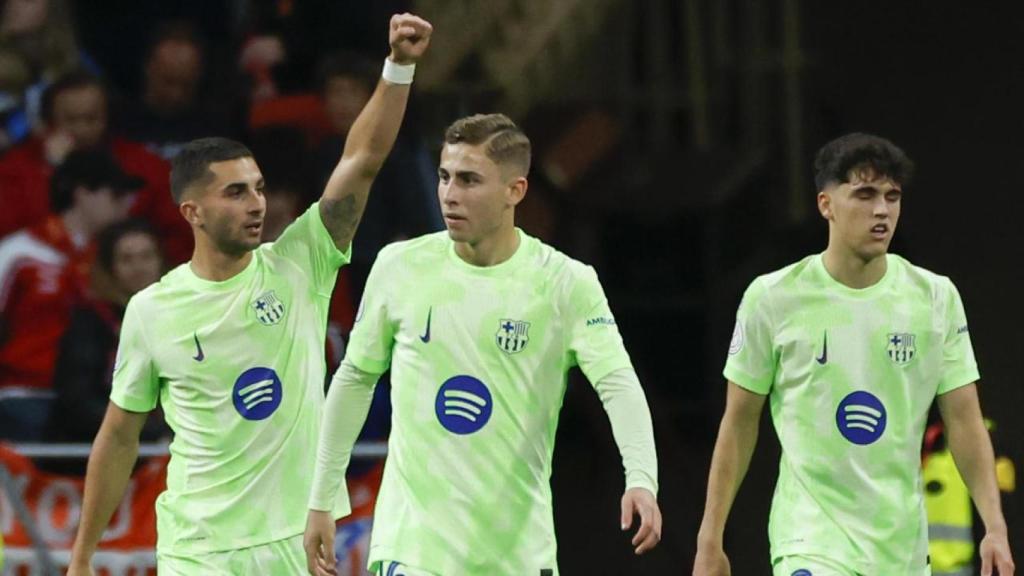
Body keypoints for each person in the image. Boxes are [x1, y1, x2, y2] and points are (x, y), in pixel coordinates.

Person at [66, 13, 433, 576]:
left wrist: (398, 68)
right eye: (236, 193)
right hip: (199, 550)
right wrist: (83, 554)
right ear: (192, 211)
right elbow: (118, 437)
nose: (256, 203)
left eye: (258, 189)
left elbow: (361, 162)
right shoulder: (151, 310)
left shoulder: (300, 262)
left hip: (298, 542)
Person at [304, 113, 662, 576]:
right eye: (444, 176)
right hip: (412, 551)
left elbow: (618, 384)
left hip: (515, 556)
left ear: (515, 190)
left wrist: (642, 478)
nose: (450, 194)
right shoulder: (399, 267)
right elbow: (354, 379)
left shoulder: (565, 284)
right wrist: (321, 498)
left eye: (469, 180)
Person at [692, 133, 1015, 576]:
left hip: (900, 549)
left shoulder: (936, 298)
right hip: (808, 542)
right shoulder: (772, 298)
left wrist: (995, 527)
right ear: (826, 204)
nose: (881, 210)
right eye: (864, 195)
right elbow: (739, 421)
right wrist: (710, 538)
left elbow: (964, 418)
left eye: (892, 196)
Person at [0, 149, 138, 440]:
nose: (126, 205)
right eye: (115, 194)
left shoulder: (114, 262)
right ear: (82, 193)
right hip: (26, 397)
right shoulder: (20, 253)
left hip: (93, 402)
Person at [0, 70, 191, 262]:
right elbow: (13, 234)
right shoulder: (15, 169)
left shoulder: (145, 165)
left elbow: (179, 237)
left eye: (91, 118)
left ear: (107, 117)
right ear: (49, 122)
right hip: (47, 271)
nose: (82, 129)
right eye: (72, 120)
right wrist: (51, 171)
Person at [47, 219, 166, 444]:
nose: (139, 267)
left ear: (160, 261)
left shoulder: (181, 317)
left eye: (146, 256)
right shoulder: (89, 324)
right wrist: (152, 432)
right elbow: (78, 401)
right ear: (109, 268)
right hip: (93, 449)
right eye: (126, 259)